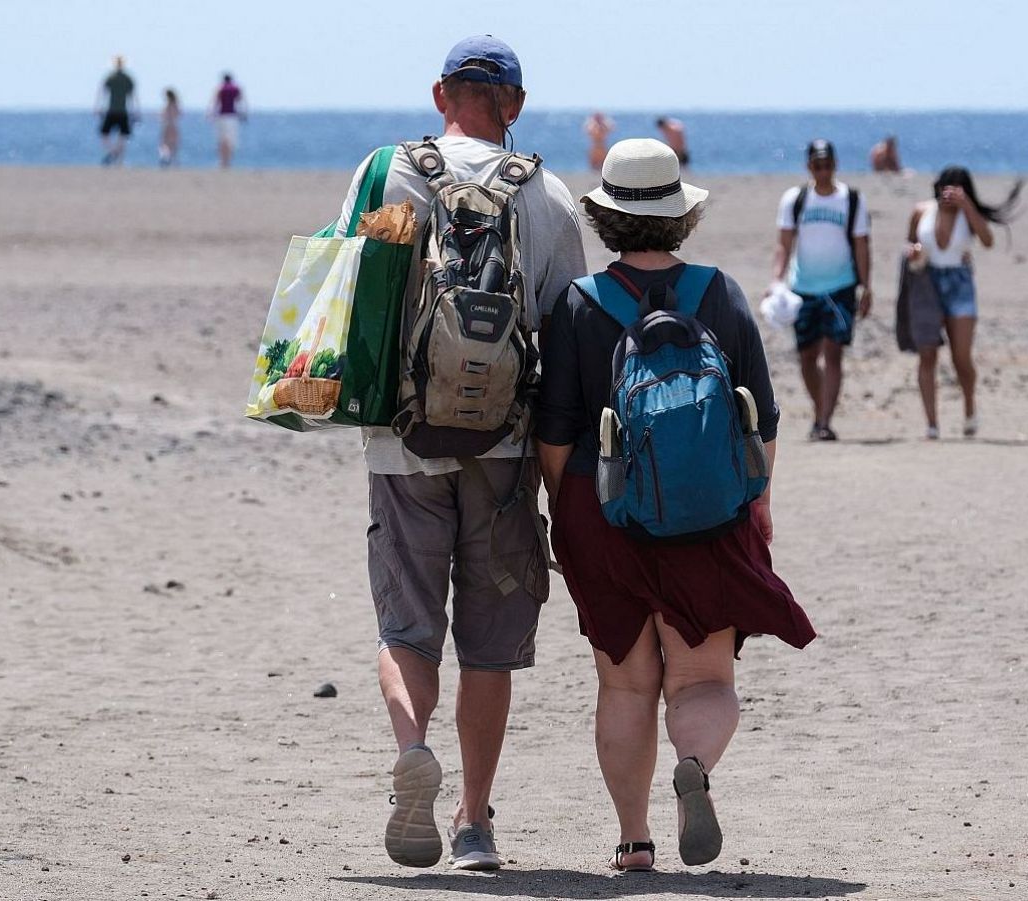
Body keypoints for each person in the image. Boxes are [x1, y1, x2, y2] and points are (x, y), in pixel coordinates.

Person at [332, 35, 586, 872]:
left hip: (403, 445)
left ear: (441, 93)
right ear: (514, 103)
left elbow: (346, 294)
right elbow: (564, 335)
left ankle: (413, 746)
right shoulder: (547, 192)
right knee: (489, 644)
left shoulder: (386, 170)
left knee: (408, 625)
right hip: (505, 448)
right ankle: (475, 823)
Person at [538, 137, 815, 873]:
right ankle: (692, 761)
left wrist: (565, 516)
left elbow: (556, 433)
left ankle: (634, 840)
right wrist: (757, 509)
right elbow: (765, 421)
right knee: (706, 681)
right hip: (707, 521)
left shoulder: (579, 304)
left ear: (606, 218)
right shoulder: (718, 293)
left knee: (624, 683)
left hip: (604, 518)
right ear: (679, 217)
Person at [906, 166, 1023, 439]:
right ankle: (932, 424)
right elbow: (909, 243)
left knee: (961, 355)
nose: (950, 194)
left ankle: (970, 406)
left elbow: (988, 240)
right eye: (946, 188)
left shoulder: (967, 215)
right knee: (927, 353)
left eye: (956, 188)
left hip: (959, 283)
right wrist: (912, 252)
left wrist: (966, 205)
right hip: (927, 283)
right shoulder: (921, 211)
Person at [769, 139, 871, 441]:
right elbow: (784, 243)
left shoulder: (851, 199)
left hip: (840, 286)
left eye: (827, 165)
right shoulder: (796, 199)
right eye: (817, 165)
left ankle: (824, 421)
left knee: (834, 352)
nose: (823, 171)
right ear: (809, 166)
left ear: (835, 165)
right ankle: (819, 411)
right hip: (803, 288)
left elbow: (862, 245)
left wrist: (866, 286)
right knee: (807, 355)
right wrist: (776, 280)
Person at [95, 56, 138, 166]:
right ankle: (116, 155)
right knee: (121, 136)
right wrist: (135, 110)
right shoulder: (126, 78)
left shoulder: (112, 77)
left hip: (115, 110)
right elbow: (133, 96)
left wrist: (98, 106)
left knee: (109, 134)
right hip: (120, 111)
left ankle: (115, 155)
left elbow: (102, 92)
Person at [210, 73, 247, 169]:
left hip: (221, 116)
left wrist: (212, 115)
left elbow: (215, 102)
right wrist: (243, 114)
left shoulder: (220, 89)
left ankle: (222, 161)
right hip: (232, 117)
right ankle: (228, 161)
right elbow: (241, 101)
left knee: (221, 140)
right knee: (231, 140)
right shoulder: (235, 89)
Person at [159, 88, 181, 167]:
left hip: (167, 126)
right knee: (174, 145)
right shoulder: (176, 105)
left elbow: (163, 116)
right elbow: (179, 114)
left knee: (164, 144)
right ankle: (174, 162)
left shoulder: (167, 105)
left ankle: (165, 158)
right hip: (174, 126)